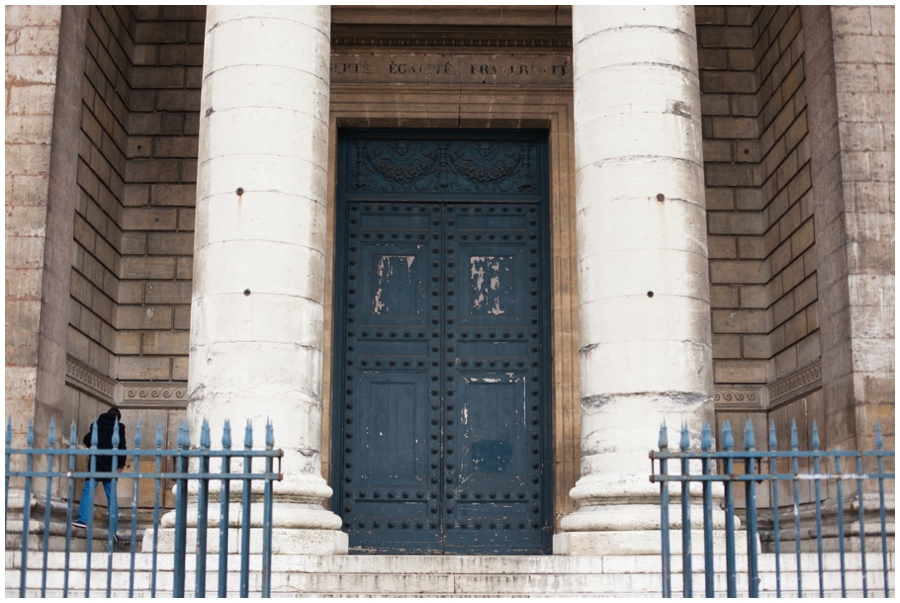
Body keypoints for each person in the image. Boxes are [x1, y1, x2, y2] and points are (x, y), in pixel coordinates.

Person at [71, 408, 128, 542]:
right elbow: (122, 446)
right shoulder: (119, 427)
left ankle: (82, 520)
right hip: (111, 464)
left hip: (96, 463)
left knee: (88, 491)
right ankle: (113, 529)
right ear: (117, 417)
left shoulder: (96, 424)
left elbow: (87, 440)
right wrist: (121, 465)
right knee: (111, 497)